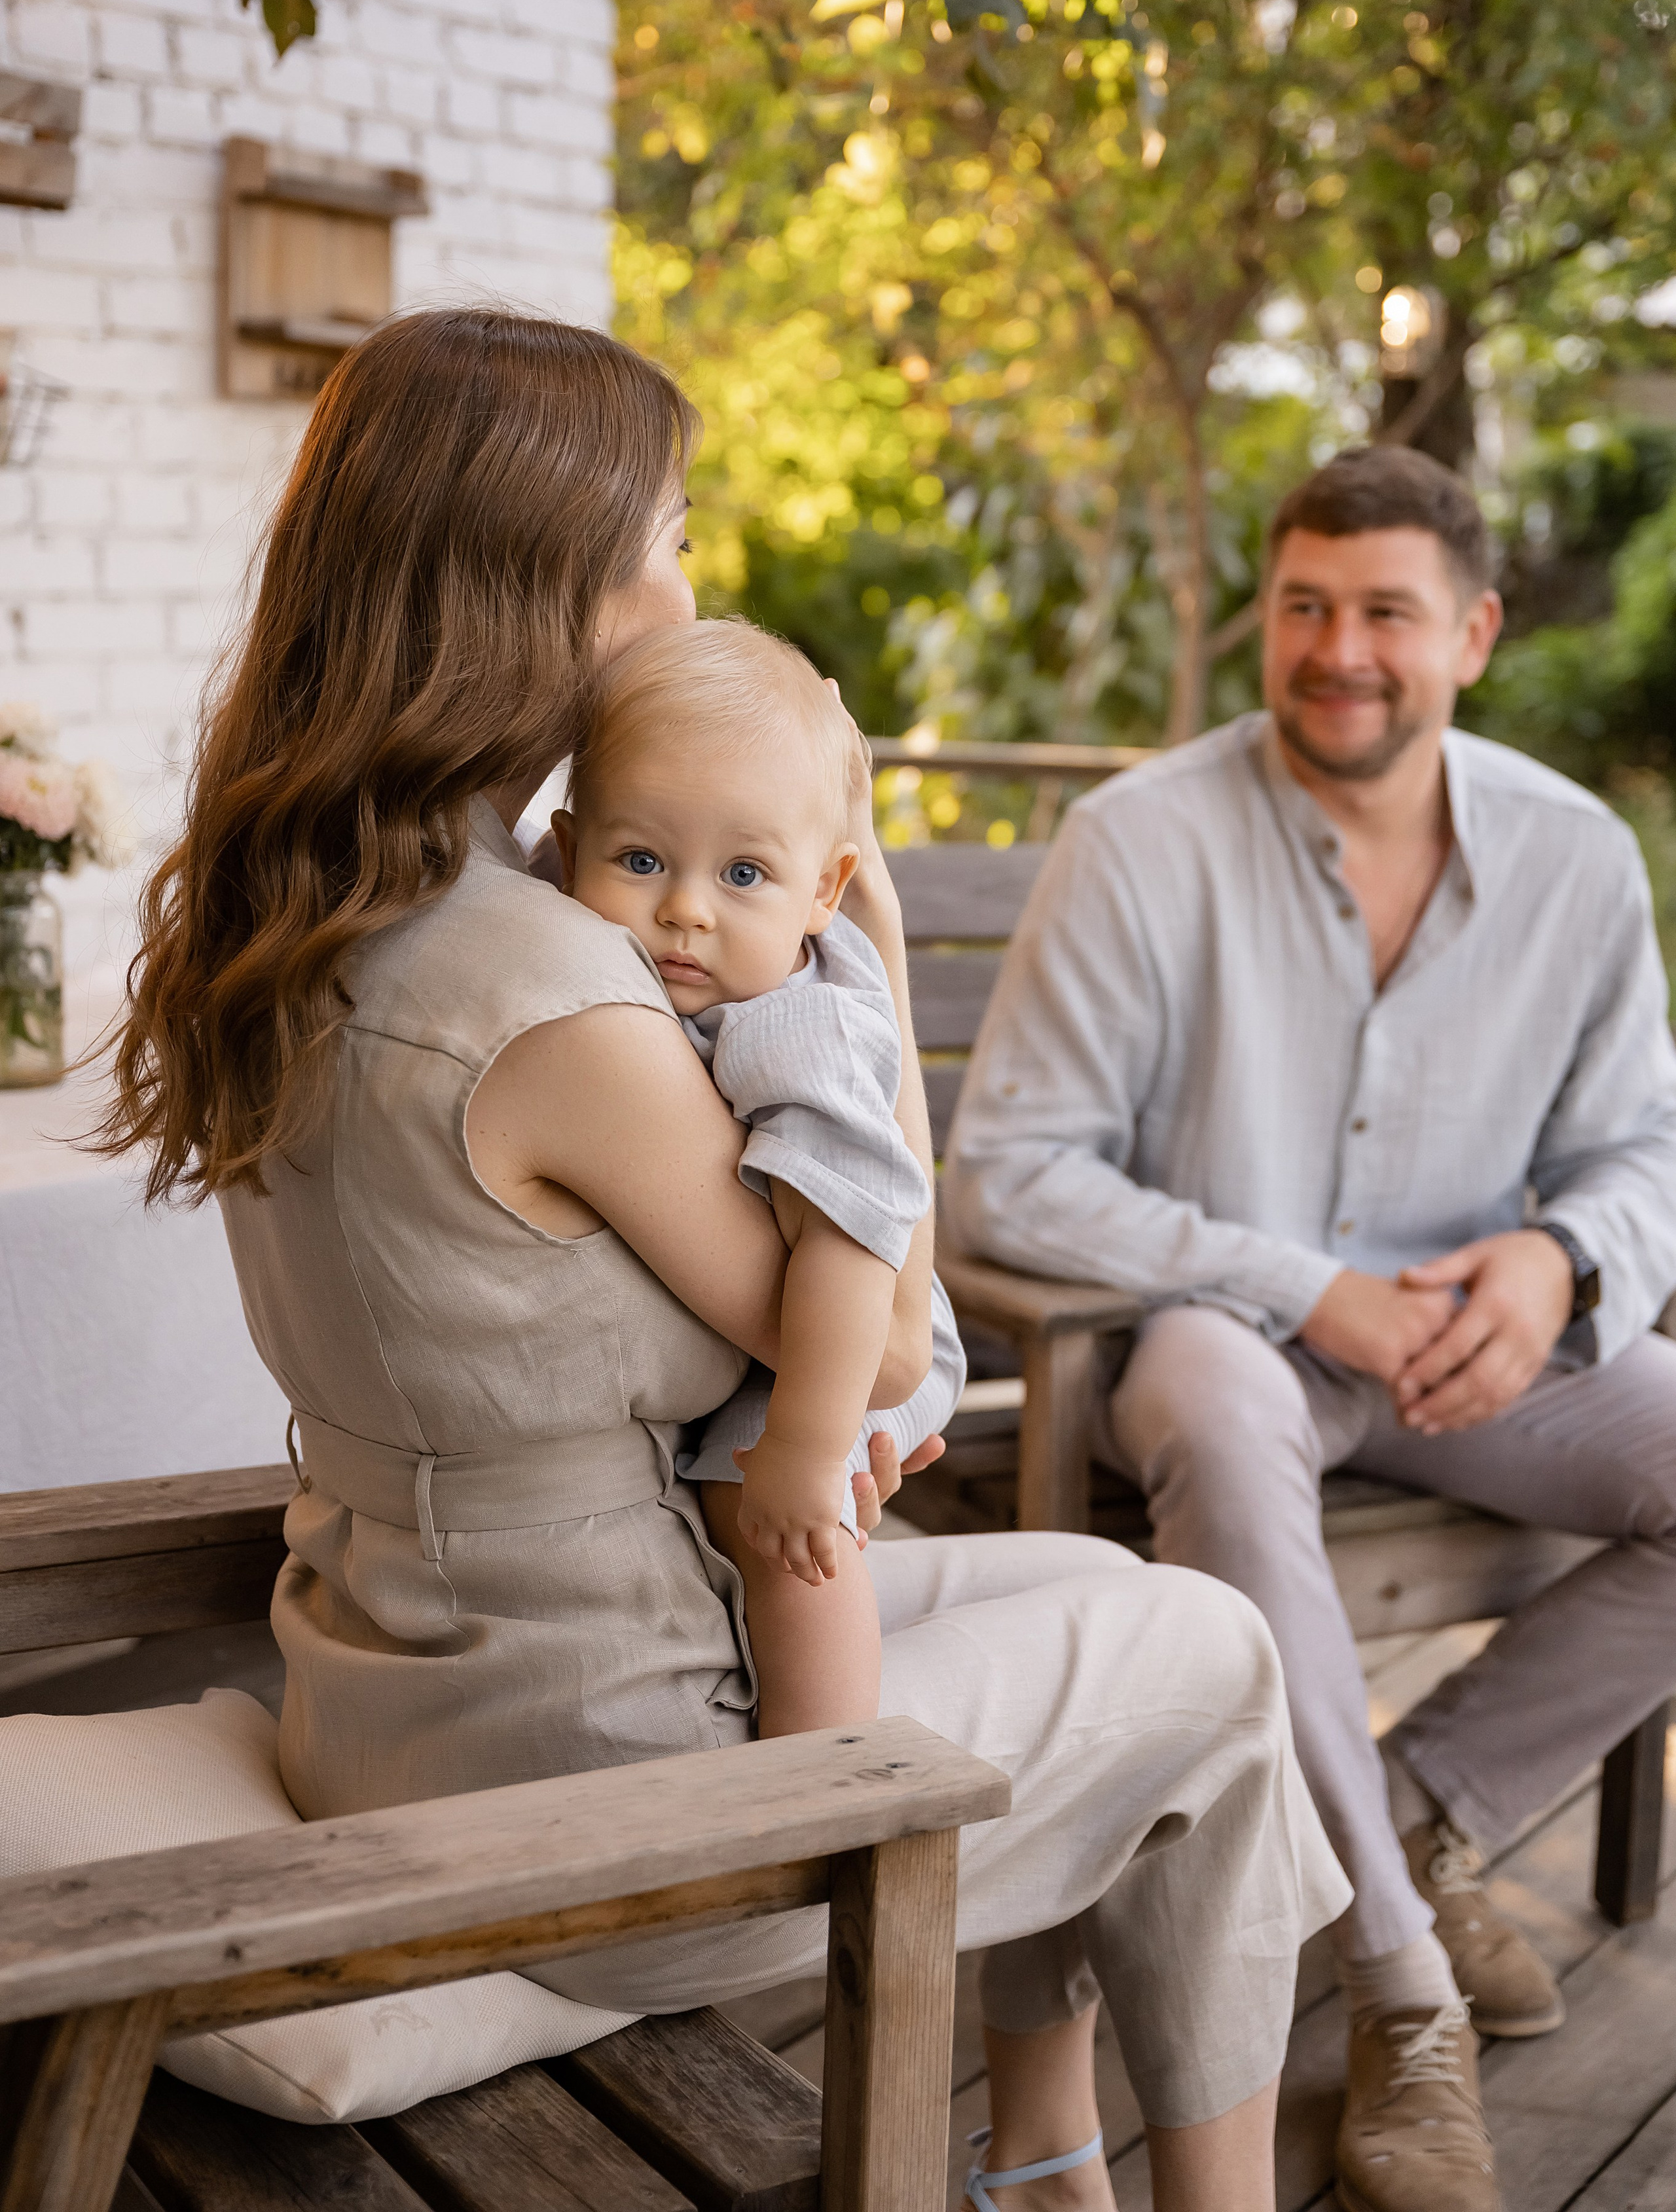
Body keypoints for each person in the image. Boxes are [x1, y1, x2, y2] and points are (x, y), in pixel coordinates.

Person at [98, 308, 1348, 2212]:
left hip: (394, 1679)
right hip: (596, 1799)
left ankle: (1044, 2159)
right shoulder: (541, 991)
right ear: (552, 588)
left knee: (1094, 1591)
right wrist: (863, 938)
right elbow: (886, 1302)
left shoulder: (314, 903)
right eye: (670, 532)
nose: (690, 579)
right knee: (1214, 1660)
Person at [945, 443, 1676, 2212]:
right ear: (1267, 614)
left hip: (1471, 1353)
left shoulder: (1577, 859)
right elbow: (1010, 1175)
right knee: (1210, 1393)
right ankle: (1405, 1994)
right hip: (1224, 1337)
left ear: (1476, 633)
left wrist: (1560, 1267)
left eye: (1386, 613)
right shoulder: (1141, 840)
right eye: (1304, 606)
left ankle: (1415, 1816)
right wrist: (1303, 1286)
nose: (1338, 649)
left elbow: (1643, 1150)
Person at [554, 613, 967, 1735]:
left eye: (745, 873)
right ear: (564, 848)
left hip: (855, 1320)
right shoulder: (618, 979)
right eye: (640, 861)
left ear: (824, 892)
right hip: (810, 1317)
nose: (687, 908)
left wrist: (806, 1442)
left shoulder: (796, 1024)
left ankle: (820, 1762)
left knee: (789, 1529)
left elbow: (851, 1233)